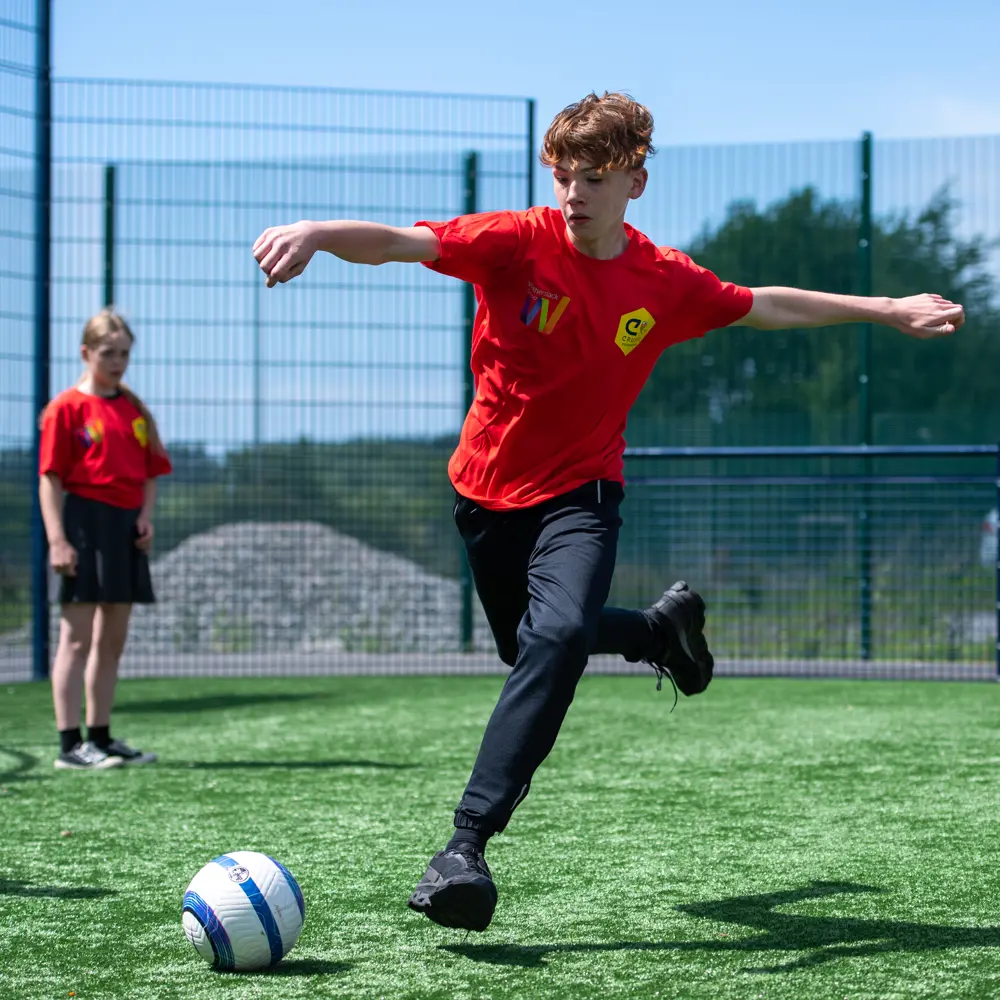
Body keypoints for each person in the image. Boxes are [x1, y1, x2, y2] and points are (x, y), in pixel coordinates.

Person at [252, 92, 964, 932]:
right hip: (483, 493)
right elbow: (406, 244)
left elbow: (765, 302)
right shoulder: (515, 241)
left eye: (593, 177)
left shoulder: (662, 280)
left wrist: (886, 310)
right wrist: (319, 235)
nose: (572, 192)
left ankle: (464, 848)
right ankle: (659, 633)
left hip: (582, 495)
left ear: (636, 182)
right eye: (562, 175)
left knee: (553, 641)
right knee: (536, 647)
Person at [38, 308, 172, 770]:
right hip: (82, 524)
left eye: (124, 354)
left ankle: (101, 736)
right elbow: (50, 478)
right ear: (86, 353)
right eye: (108, 353)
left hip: (124, 527)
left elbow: (151, 473)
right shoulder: (66, 409)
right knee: (75, 639)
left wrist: (146, 517)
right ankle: (69, 746)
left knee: (112, 639)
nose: (117, 362)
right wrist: (58, 539)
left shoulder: (134, 411)